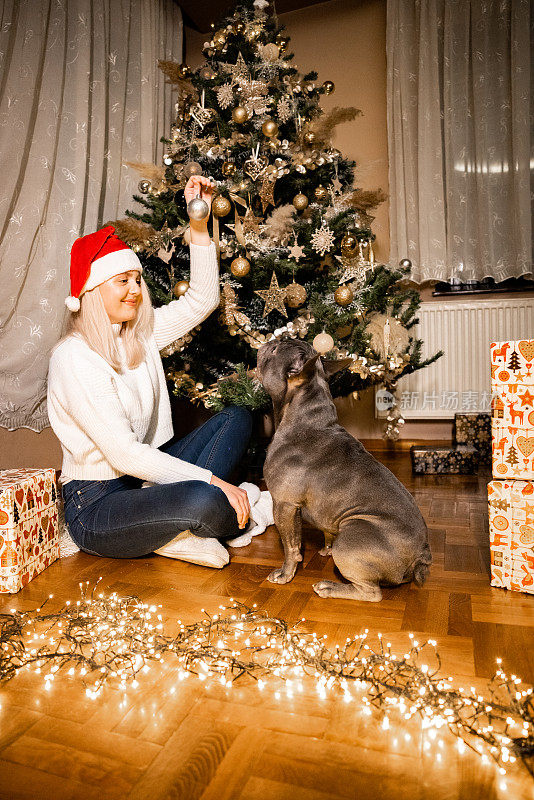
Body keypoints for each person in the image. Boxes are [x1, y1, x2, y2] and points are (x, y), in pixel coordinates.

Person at [47, 175, 257, 569]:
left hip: (142, 479)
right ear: (91, 292)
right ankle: (178, 528)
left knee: (238, 418)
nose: (136, 290)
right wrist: (213, 482)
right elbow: (124, 453)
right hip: (95, 505)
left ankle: (171, 529)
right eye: (122, 281)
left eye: (138, 280)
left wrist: (198, 225)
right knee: (207, 500)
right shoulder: (73, 357)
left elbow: (202, 299)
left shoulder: (140, 334)